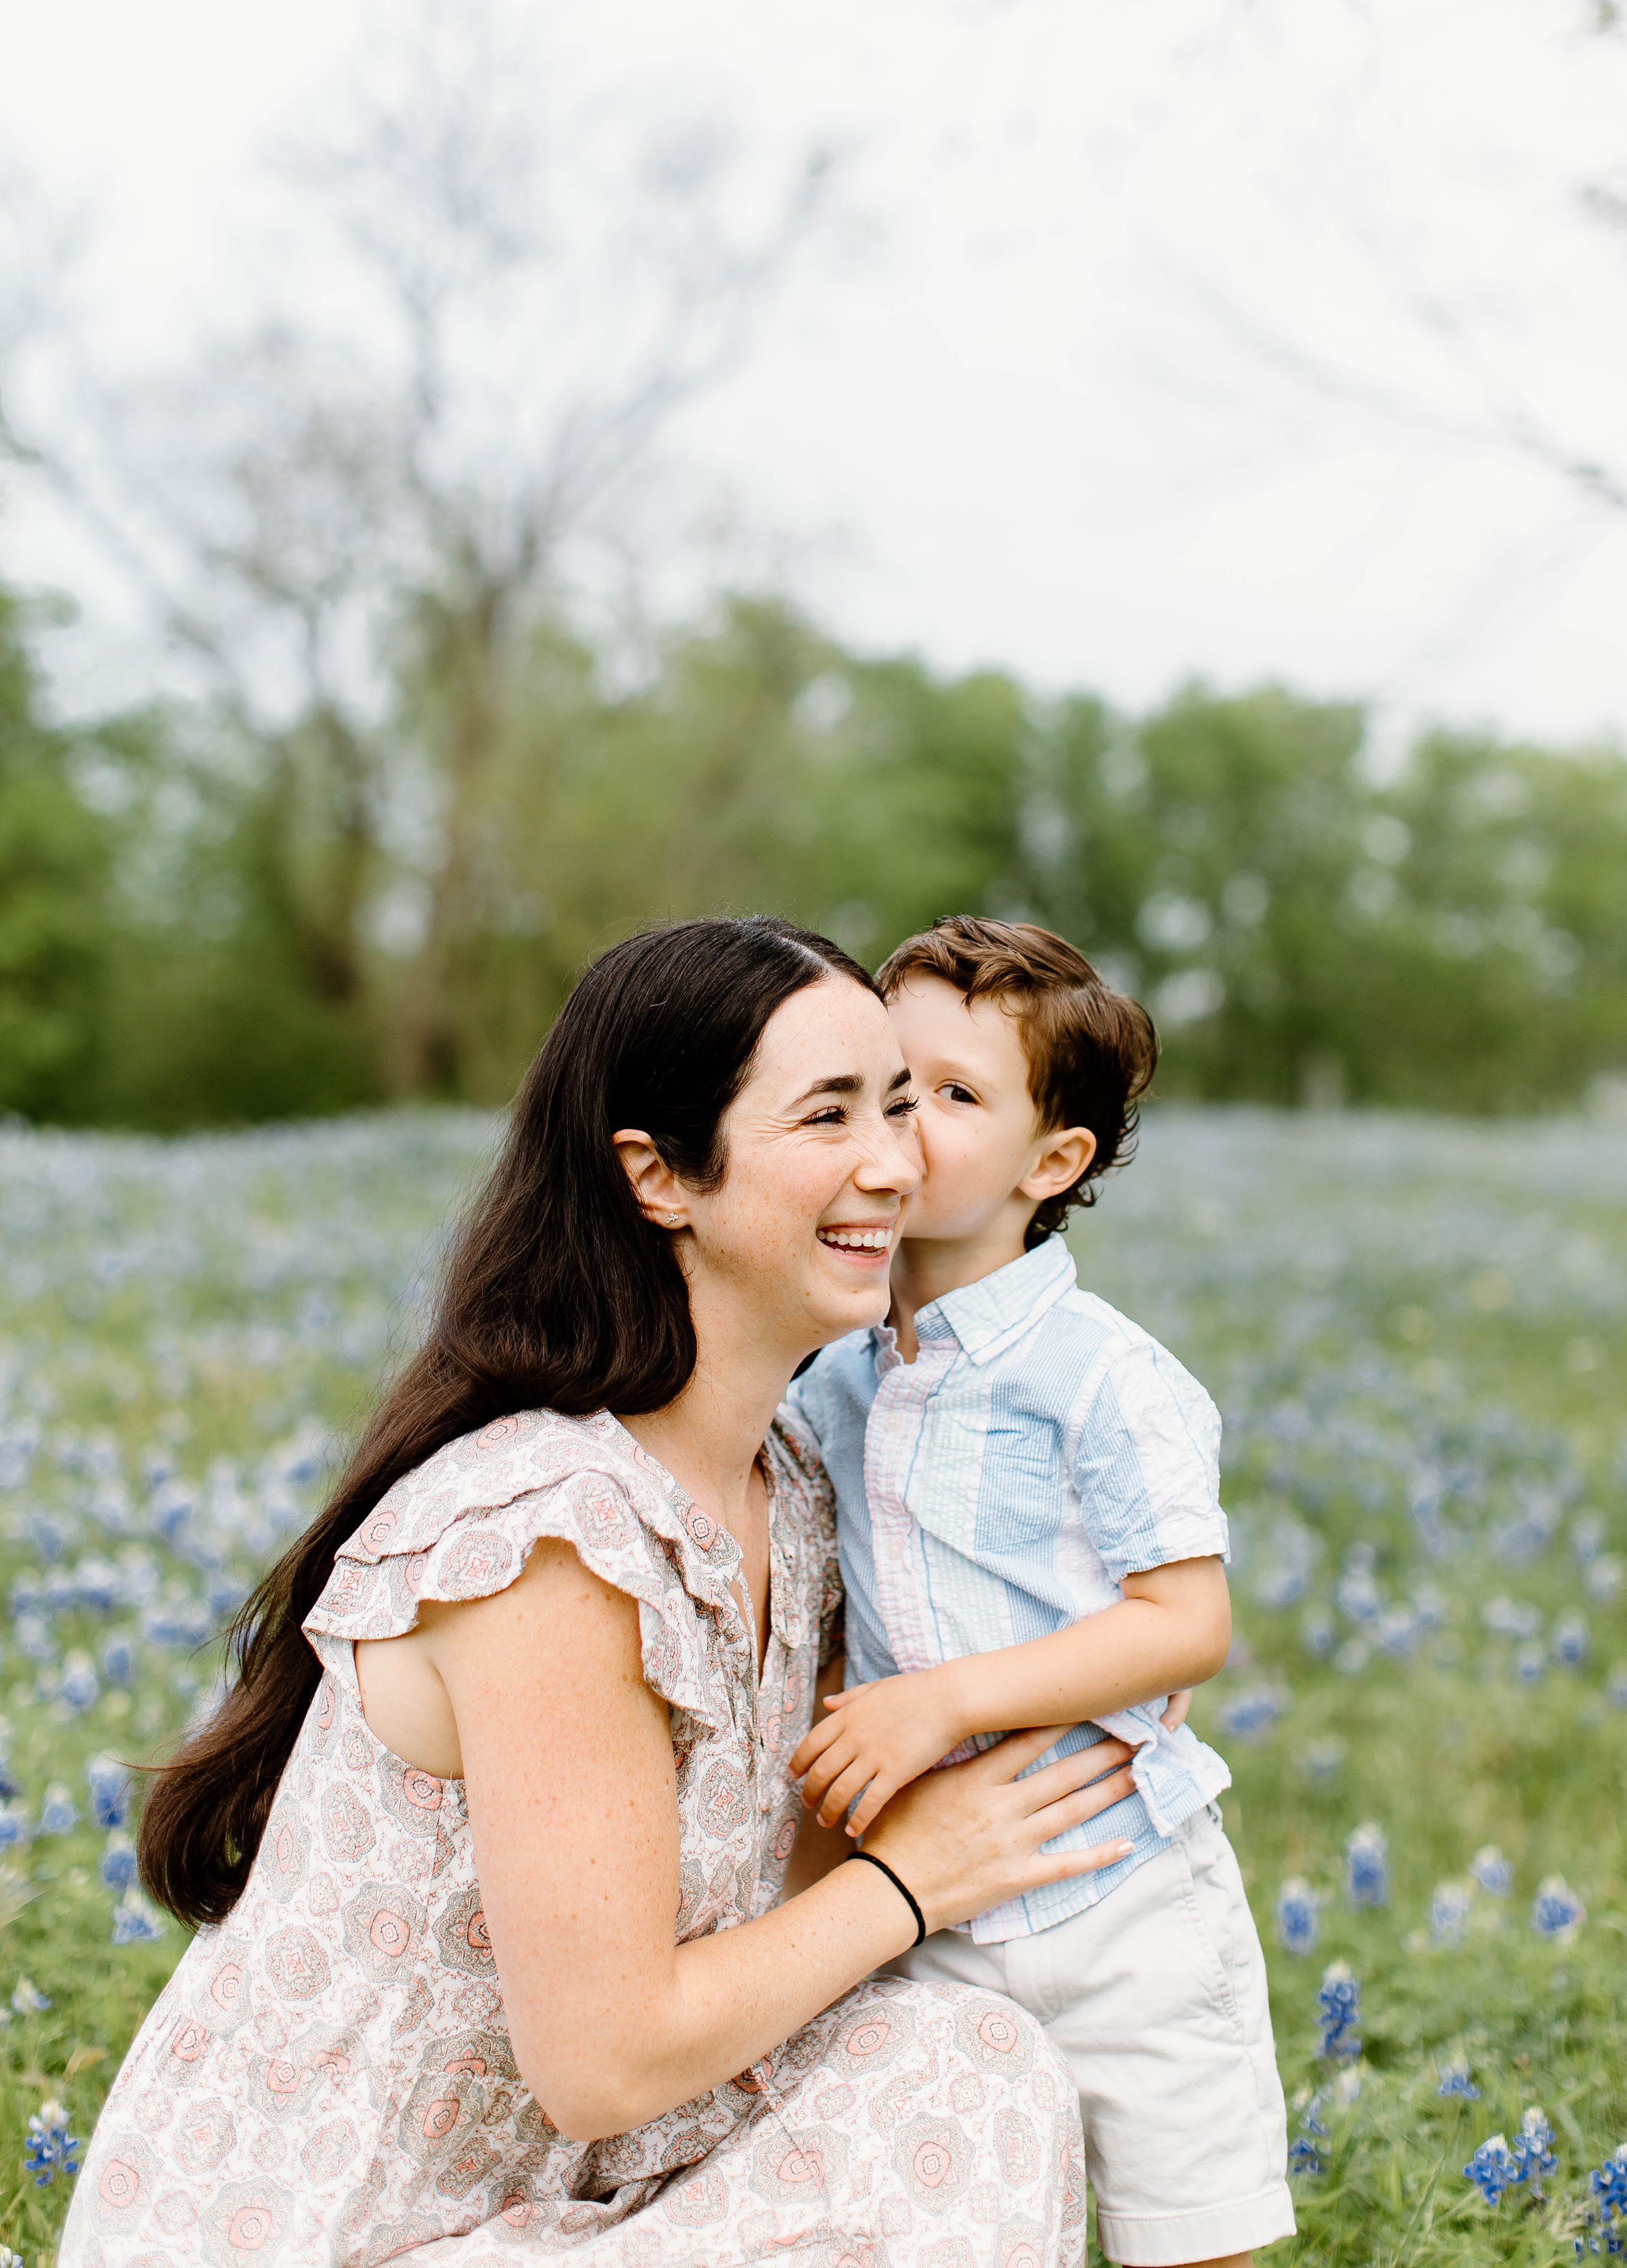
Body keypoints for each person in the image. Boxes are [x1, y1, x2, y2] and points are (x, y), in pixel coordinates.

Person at [63, 916, 1138, 2268]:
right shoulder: (547, 1536)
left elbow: (774, 1898)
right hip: (339, 2233)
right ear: (658, 1178)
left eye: (901, 1104)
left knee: (966, 2067)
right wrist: (911, 1878)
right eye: (826, 1117)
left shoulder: (788, 1490)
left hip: (568, 2201)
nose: (893, 1163)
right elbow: (604, 2060)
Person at [789, 916, 1294, 2268]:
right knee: (943, 2221)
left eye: (952, 1097)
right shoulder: (831, 1370)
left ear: (1050, 1162)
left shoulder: (1100, 1376)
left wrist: (933, 1701)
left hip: (1115, 1886)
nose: (901, 1122)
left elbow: (1184, 1623)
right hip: (933, 1898)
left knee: (1190, 2240)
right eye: (887, 1081)